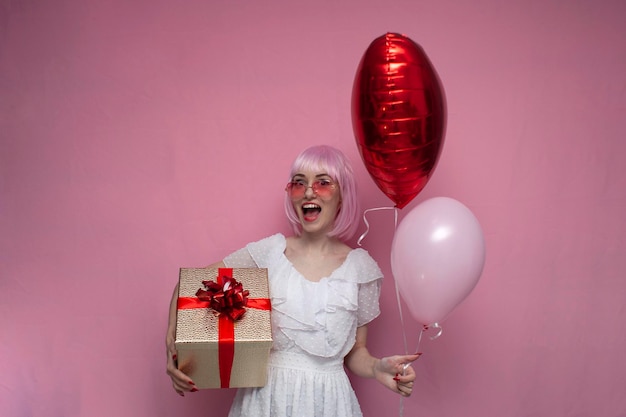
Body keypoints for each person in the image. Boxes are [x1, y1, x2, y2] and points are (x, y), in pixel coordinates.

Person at [165, 145, 421, 417]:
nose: (309, 192)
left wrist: (377, 367)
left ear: (342, 196)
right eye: (299, 184)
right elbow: (190, 286)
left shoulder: (361, 269)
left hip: (330, 404)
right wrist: (172, 344)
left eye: (323, 183)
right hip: (265, 402)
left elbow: (355, 352)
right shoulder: (270, 252)